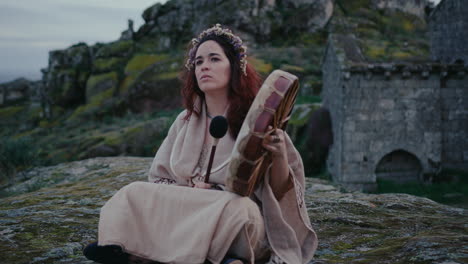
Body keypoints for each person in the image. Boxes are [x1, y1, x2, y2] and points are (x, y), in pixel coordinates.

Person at [84, 24, 317, 264]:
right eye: (198, 62)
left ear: (235, 68)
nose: (204, 66)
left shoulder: (259, 122)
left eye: (214, 59)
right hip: (187, 212)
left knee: (238, 208)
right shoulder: (184, 121)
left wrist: (278, 155)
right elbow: (159, 180)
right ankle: (204, 258)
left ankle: (142, 255)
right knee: (132, 192)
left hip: (236, 219)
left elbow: (283, 192)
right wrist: (190, 192)